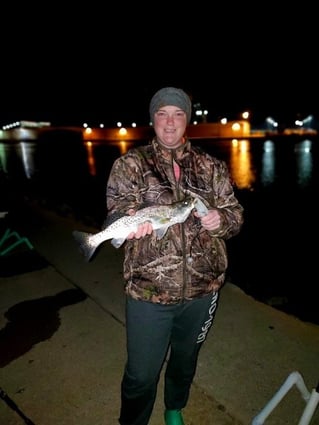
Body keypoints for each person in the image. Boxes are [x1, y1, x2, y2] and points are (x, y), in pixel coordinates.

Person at [105, 87, 244, 425]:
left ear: (187, 120)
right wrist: (130, 222)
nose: (170, 122)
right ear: (152, 119)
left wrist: (220, 220)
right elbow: (119, 209)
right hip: (148, 293)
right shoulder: (130, 164)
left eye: (178, 114)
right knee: (140, 374)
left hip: (202, 290)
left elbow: (235, 214)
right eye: (162, 114)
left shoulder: (211, 166)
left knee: (185, 361)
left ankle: (174, 408)